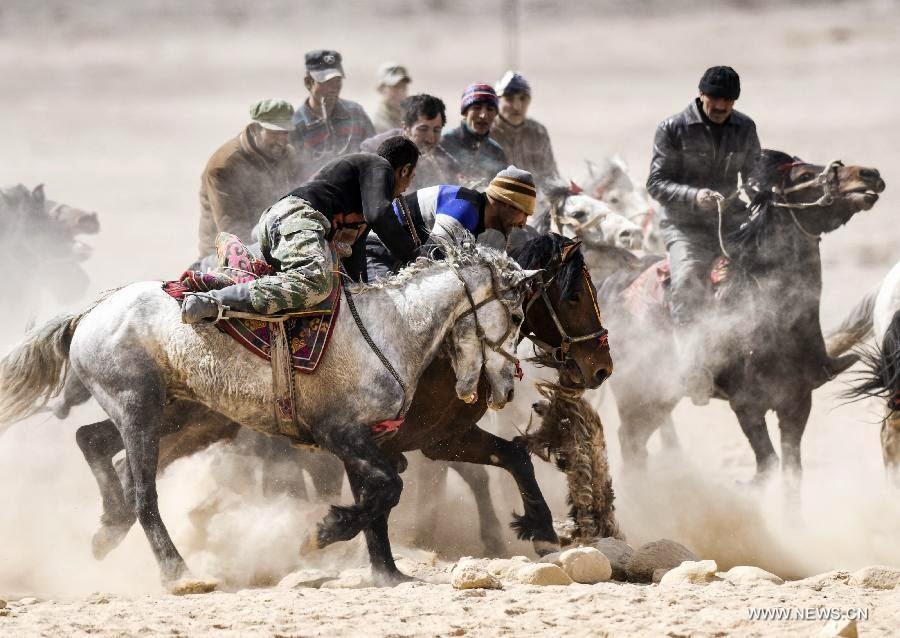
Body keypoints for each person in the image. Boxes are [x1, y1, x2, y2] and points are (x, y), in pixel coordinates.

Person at [182, 136, 419, 322]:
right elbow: (380, 215)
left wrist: (362, 296)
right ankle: (214, 301)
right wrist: (416, 255)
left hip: (284, 222)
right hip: (298, 217)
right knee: (315, 282)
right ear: (404, 170)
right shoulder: (378, 165)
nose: (407, 187)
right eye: (412, 176)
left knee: (336, 296)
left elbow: (355, 260)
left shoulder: (364, 203)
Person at [646, 66, 761, 405]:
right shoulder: (672, 128)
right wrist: (693, 196)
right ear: (701, 95)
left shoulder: (745, 127)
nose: (722, 106)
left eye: (729, 100)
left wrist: (760, 198)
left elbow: (754, 175)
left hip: (731, 222)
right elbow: (656, 183)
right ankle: (691, 365)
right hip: (685, 226)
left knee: (772, 268)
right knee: (687, 281)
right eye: (716, 99)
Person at [366, 165, 536, 280]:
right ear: (507, 204)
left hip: (397, 256)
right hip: (377, 251)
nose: (523, 223)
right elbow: (423, 268)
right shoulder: (463, 212)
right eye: (524, 214)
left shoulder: (473, 214)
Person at [197, 99, 302, 260]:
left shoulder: (287, 155)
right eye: (274, 133)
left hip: (270, 243)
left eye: (285, 133)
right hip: (225, 254)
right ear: (254, 129)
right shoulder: (224, 167)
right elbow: (233, 230)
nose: (282, 141)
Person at [291, 49, 376, 177]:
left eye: (337, 81)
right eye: (325, 82)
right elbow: (293, 175)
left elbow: (375, 153)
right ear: (308, 82)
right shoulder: (296, 125)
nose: (333, 88)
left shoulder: (356, 113)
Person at [360, 94, 461, 189]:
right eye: (423, 129)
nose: (430, 139)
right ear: (406, 128)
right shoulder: (375, 148)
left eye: (436, 130)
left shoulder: (446, 160)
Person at [490, 71, 560, 190]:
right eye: (509, 99)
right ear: (497, 100)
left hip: (534, 201)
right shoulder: (487, 133)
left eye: (523, 98)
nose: (517, 106)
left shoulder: (538, 132)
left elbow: (550, 175)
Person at [440, 84, 509, 186]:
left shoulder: (497, 153)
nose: (483, 115)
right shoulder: (444, 143)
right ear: (465, 112)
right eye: (477, 108)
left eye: (490, 109)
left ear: (495, 115)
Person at [372, 62, 411, 133]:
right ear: (381, 89)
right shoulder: (375, 124)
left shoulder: (410, 119)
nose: (400, 92)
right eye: (395, 87)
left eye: (403, 87)